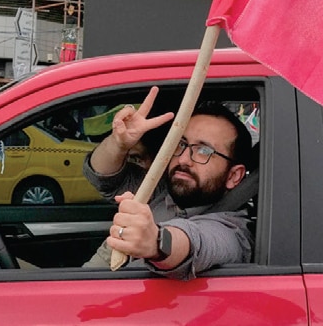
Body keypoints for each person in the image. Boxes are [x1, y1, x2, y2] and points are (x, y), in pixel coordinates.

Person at [82, 87, 253, 280]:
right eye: (181, 144)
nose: (184, 159)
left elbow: (197, 242)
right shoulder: (160, 189)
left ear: (234, 176)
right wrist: (118, 143)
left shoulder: (232, 230)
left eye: (204, 151)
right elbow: (102, 177)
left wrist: (155, 241)